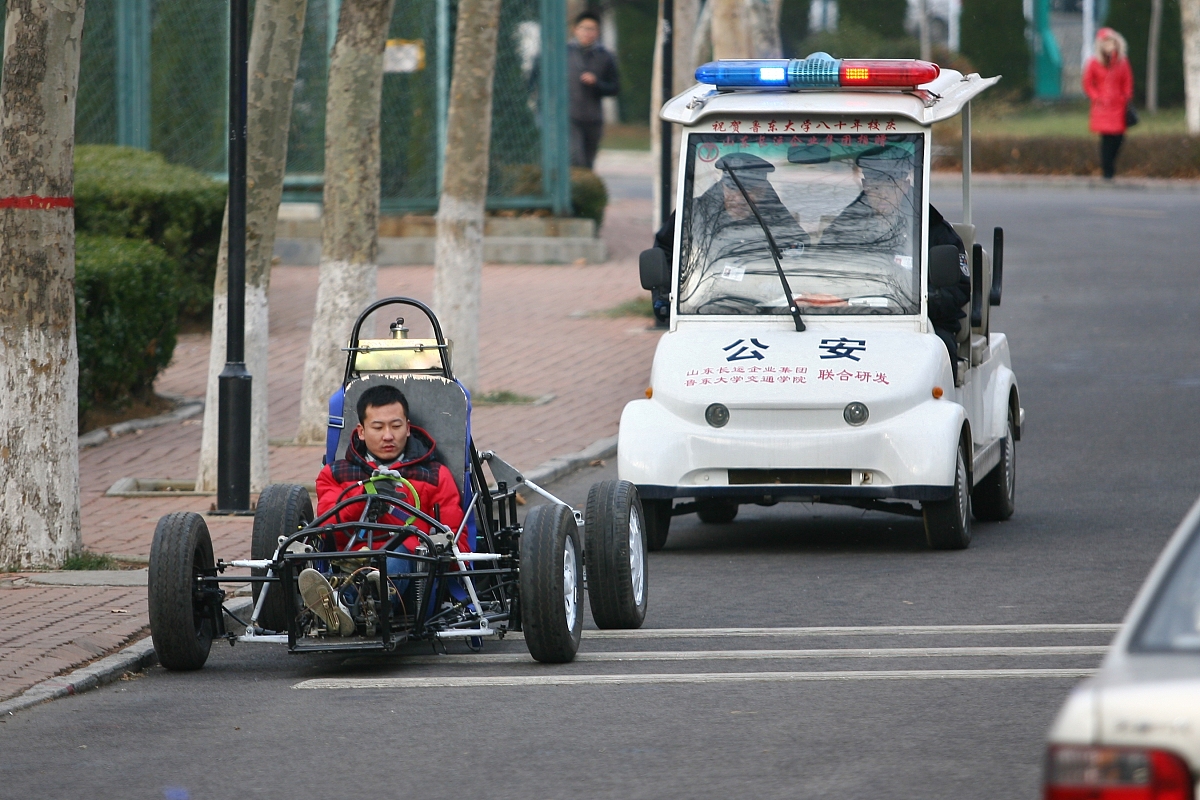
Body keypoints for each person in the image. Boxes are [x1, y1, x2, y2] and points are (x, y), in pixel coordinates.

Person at [302, 384, 465, 634]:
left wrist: (418, 544)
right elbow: (324, 529)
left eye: (396, 426)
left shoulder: (435, 475)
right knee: (356, 563)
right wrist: (364, 497)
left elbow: (458, 544)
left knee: (396, 555)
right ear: (362, 431)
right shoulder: (335, 474)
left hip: (413, 579)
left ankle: (349, 604)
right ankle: (348, 604)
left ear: (408, 429)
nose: (388, 436)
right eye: (378, 427)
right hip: (350, 561)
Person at [823, 146, 970, 379]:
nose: (880, 194)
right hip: (853, 319)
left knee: (939, 353)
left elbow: (958, 289)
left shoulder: (933, 229)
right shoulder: (844, 227)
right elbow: (823, 269)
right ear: (864, 185)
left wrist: (923, 300)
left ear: (904, 184)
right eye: (874, 186)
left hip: (920, 324)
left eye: (889, 186)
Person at [568, 11, 619, 170]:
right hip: (568, 116)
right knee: (576, 158)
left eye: (592, 29)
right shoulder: (563, 53)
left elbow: (614, 88)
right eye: (584, 28)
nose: (587, 33)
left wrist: (597, 83)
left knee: (588, 162)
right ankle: (572, 192)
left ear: (598, 32)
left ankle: (584, 192)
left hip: (592, 118)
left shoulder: (605, 56)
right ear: (575, 29)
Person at [1083, 27, 1134, 180]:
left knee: (1118, 138)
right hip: (1102, 106)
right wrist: (1096, 97)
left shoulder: (1122, 62)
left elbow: (1127, 81)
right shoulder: (1094, 63)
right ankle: (1107, 171)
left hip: (1118, 105)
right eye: (1106, 43)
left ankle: (1110, 167)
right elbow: (1087, 83)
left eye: (1111, 42)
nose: (1109, 46)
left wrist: (1125, 97)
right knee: (1106, 139)